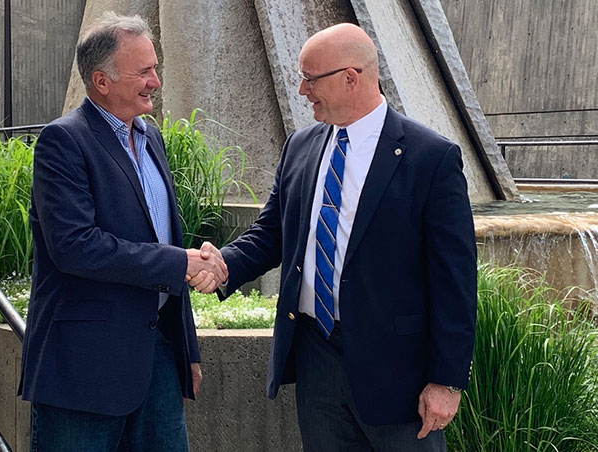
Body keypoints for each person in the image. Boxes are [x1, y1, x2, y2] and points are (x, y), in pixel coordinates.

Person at [190, 23, 476, 451]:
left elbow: (455, 279)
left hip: (398, 373)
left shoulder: (430, 158)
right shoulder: (300, 146)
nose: (303, 90)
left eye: (310, 78)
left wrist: (447, 381)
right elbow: (273, 232)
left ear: (350, 77)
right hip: (316, 358)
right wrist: (225, 264)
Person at [19, 12, 227, 452]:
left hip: (159, 363)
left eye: (156, 68)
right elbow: (75, 247)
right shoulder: (63, 141)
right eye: (144, 71)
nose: (156, 81)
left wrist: (185, 348)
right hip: (84, 371)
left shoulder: (151, 138)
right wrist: (180, 262)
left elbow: (163, 238)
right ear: (101, 81)